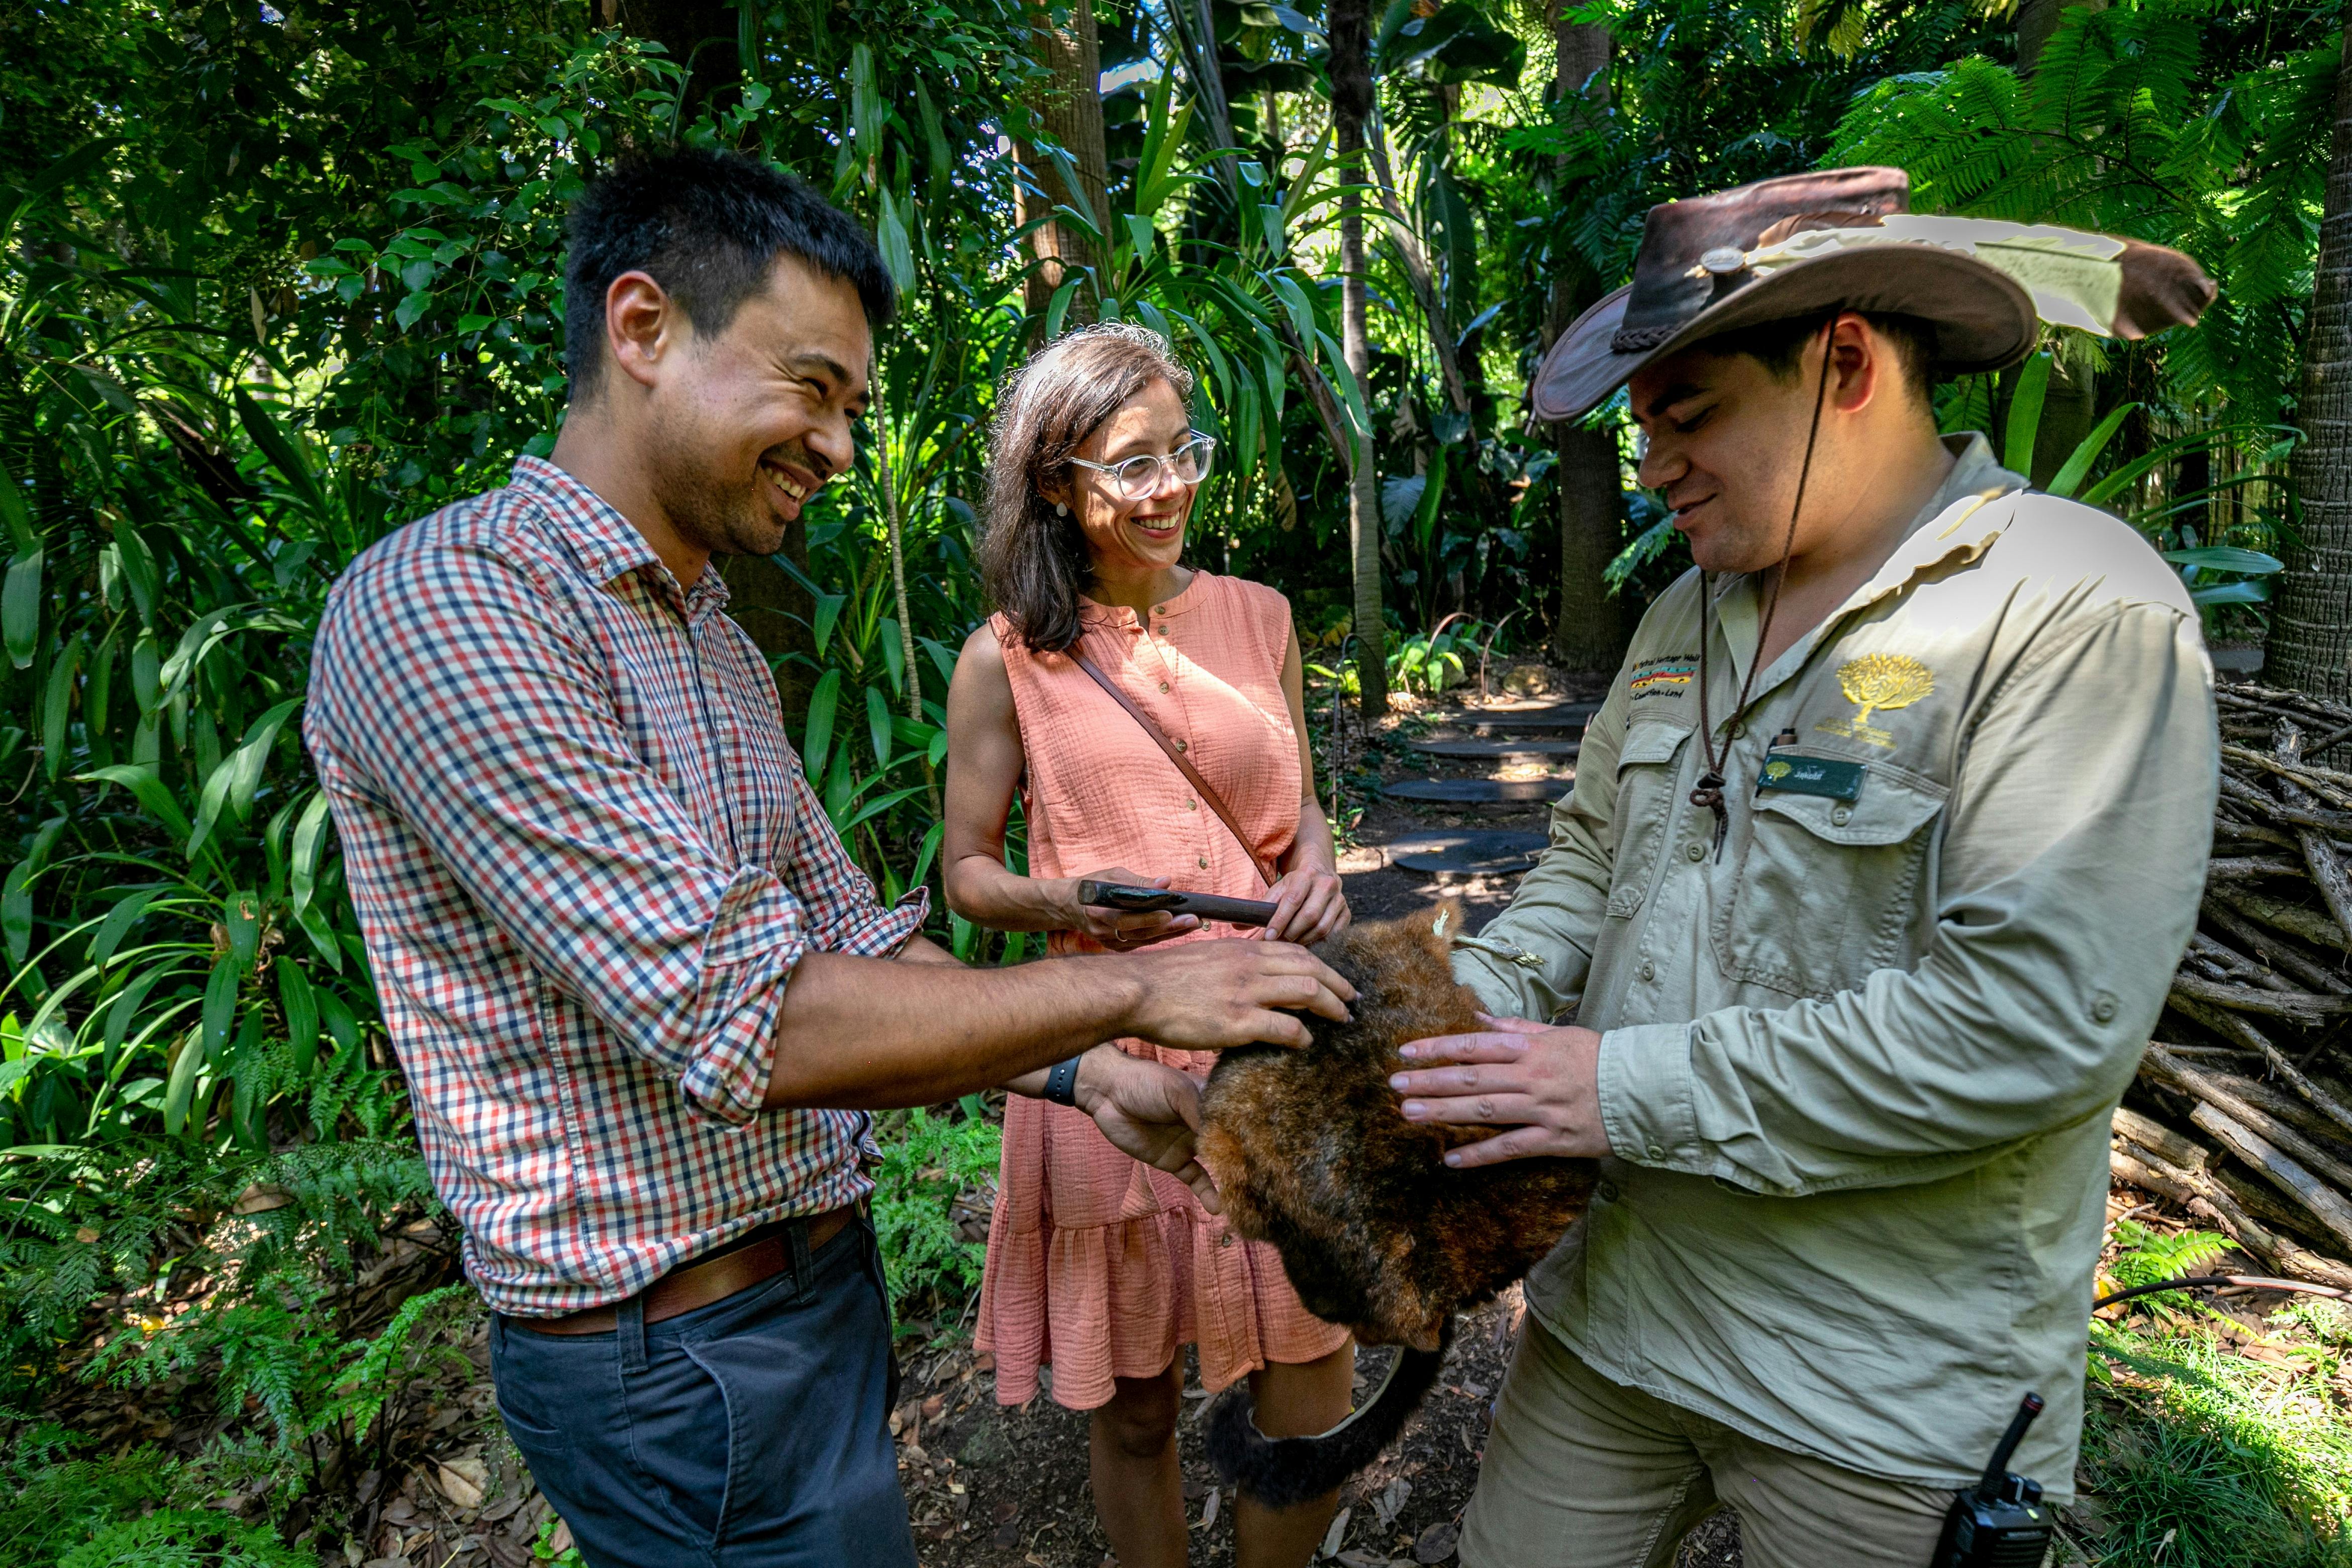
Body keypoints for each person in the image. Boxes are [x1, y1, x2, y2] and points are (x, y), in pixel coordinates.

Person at [303, 149, 1358, 1568]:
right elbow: (745, 1014)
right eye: (812, 388)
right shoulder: (457, 603)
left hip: (804, 1300)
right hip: (667, 1355)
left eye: (853, 408)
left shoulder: (709, 640)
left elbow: (856, 939)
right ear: (642, 327)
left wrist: (1086, 1078)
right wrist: (1136, 993)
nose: (842, 447)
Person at [1383, 167, 2222, 1567]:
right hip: (1615, 1320)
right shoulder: (1682, 614)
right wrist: (1448, 1024)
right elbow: (1586, 870)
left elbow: (2030, 1027)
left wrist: (1610, 1089)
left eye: (1690, 414)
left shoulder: (2073, 604)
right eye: (1643, 427)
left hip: (1881, 1390)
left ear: (1845, 365)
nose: (1653, 466)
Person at [943, 323, 1357, 1568]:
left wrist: (1319, 869)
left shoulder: (1261, 618)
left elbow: (1298, 806)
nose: (1171, 486)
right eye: (1134, 463)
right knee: (1131, 1408)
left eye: (1185, 451)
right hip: (1101, 1050)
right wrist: (1071, 902)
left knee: (1313, 1362)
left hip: (1268, 1036)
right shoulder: (1005, 659)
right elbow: (967, 876)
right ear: (1056, 482)